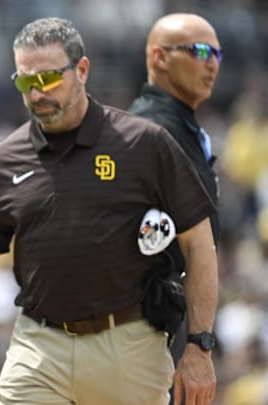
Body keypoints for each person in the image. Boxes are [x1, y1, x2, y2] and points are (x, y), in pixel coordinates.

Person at [0, 17, 218, 405]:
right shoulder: (4, 161)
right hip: (39, 346)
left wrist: (200, 346)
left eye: (50, 78)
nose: (38, 92)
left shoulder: (144, 144)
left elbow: (199, 244)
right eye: (26, 82)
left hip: (128, 345)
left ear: (83, 71)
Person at [127, 12, 222, 396]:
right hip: (145, 328)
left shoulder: (180, 127)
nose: (212, 62)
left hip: (167, 318)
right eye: (199, 50)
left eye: (217, 52)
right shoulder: (149, 130)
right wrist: (198, 344)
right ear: (159, 57)